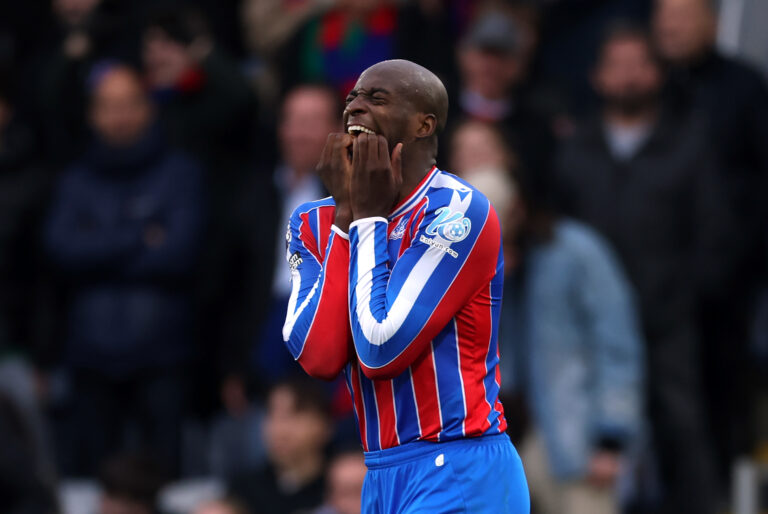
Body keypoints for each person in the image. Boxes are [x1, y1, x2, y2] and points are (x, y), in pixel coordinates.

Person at [282, 59, 529, 513]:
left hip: (459, 465)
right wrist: (344, 220)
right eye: (352, 97)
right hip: (379, 473)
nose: (355, 107)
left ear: (423, 124)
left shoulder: (458, 213)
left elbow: (381, 348)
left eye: (376, 98)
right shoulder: (312, 222)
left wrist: (369, 219)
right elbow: (319, 357)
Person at [554, 25, 729, 513]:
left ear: (658, 72)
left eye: (639, 64)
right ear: (596, 76)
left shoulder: (690, 141)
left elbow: (716, 228)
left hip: (669, 314)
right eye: (617, 65)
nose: (629, 77)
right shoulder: (575, 148)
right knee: (596, 429)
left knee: (681, 421)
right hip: (589, 324)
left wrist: (689, 292)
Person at [43, 64, 203, 476]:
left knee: (165, 480)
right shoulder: (75, 179)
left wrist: (100, 245)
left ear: (148, 108)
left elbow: (179, 253)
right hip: (90, 358)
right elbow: (61, 251)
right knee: (95, 483)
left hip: (162, 356)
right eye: (108, 106)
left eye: (129, 104)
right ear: (92, 115)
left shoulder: (180, 173)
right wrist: (138, 236)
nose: (120, 116)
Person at [470, 161, 644, 514]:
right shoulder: (482, 267)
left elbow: (619, 348)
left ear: (518, 208)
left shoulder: (577, 252)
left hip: (577, 442)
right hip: (502, 445)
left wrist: (612, 438)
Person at [654, 0, 768, 478]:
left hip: (728, 272)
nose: (673, 29)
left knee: (723, 383)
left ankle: (728, 483)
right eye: (666, 21)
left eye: (683, 18)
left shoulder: (744, 87)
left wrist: (738, 256)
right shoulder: (647, 85)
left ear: (712, 24)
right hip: (655, 271)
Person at [227, 378, 332, 514]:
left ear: (326, 425)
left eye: (294, 414)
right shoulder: (242, 492)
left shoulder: (343, 487)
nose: (279, 430)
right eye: (272, 414)